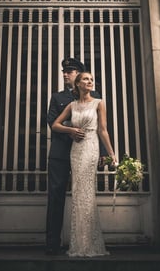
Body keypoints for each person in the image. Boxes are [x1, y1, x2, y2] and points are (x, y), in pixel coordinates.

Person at [52, 71, 117, 257]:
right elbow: (55, 125)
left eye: (91, 79)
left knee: (87, 192)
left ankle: (89, 242)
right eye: (86, 79)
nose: (90, 82)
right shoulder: (72, 105)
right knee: (78, 192)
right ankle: (79, 243)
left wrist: (111, 154)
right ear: (78, 84)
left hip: (90, 148)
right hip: (76, 150)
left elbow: (103, 130)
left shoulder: (99, 103)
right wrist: (70, 130)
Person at [45, 58, 101, 255]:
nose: (65, 74)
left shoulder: (94, 96)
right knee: (56, 196)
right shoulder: (57, 97)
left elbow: (99, 128)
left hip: (85, 151)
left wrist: (100, 152)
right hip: (60, 153)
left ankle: (84, 243)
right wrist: (70, 129)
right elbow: (51, 121)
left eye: (69, 71)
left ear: (79, 74)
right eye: (64, 71)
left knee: (85, 196)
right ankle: (52, 243)